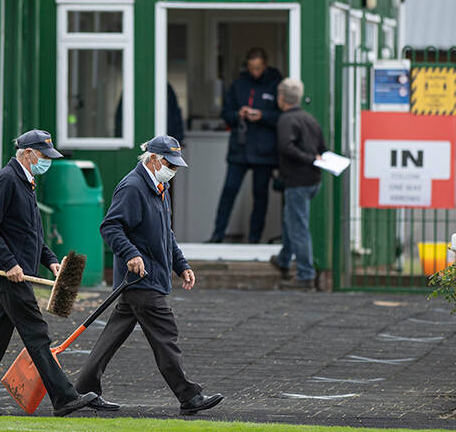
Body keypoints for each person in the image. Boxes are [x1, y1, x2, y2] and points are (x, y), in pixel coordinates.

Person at [74, 135, 224, 415]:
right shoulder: (133, 187)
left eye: (177, 165)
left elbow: (165, 234)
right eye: (170, 163)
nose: (174, 170)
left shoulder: (160, 186)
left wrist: (182, 265)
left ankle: (82, 391)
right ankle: (189, 396)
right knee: (165, 335)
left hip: (144, 279)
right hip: (142, 280)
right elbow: (110, 227)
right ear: (153, 159)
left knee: (112, 336)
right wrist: (131, 254)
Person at [0, 129, 97, 417]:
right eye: (44, 156)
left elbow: (30, 233)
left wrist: (51, 260)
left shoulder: (25, 181)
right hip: (12, 276)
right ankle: (65, 398)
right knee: (37, 335)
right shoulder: (6, 180)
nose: (48, 162)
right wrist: (9, 264)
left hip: (19, 273)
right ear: (28, 154)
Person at [207, 47, 283, 243]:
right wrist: (237, 114)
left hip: (264, 151)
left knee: (260, 197)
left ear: (265, 65)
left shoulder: (276, 84)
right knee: (228, 192)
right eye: (251, 68)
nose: (254, 72)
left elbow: (282, 117)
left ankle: (254, 240)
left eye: (258, 68)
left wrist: (262, 116)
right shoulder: (239, 84)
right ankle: (217, 236)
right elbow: (226, 113)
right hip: (239, 149)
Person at [270, 78, 326, 289]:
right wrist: (315, 158)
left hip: (297, 181)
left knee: (298, 227)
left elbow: (286, 147)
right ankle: (284, 260)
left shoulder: (286, 120)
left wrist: (307, 158)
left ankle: (305, 276)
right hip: (313, 180)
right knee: (290, 221)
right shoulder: (310, 119)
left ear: (281, 98)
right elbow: (323, 147)